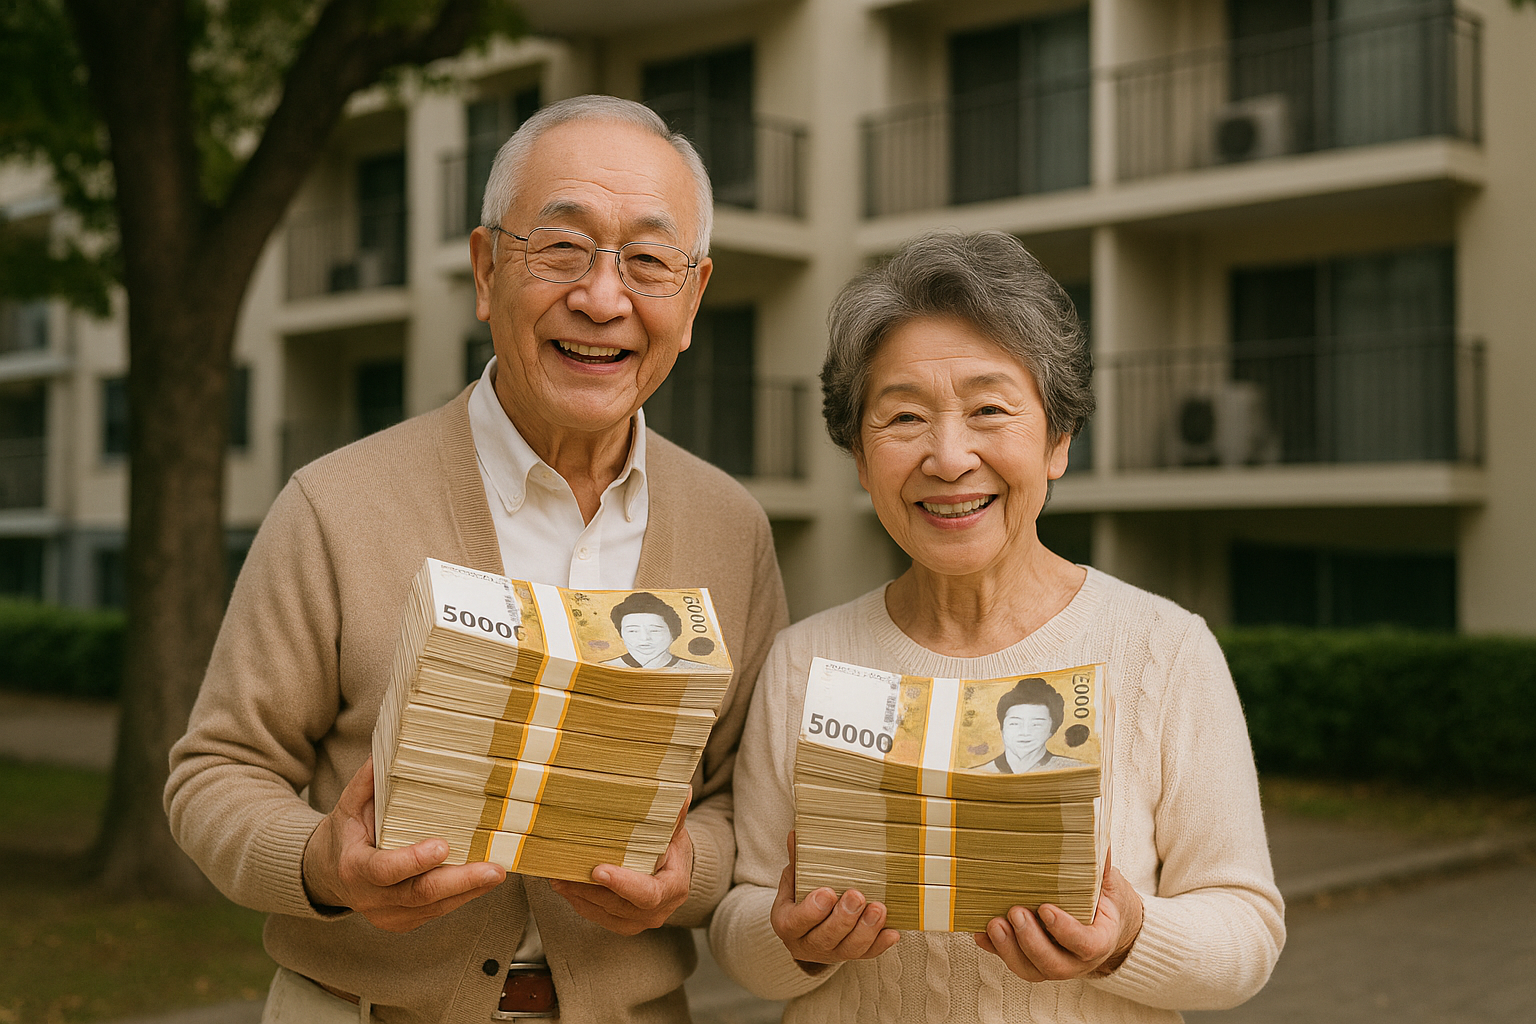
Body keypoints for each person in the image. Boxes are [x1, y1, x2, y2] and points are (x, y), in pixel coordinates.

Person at [165, 95, 789, 1024]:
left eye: (649, 261)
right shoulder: (335, 506)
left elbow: (749, 798)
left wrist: (688, 869)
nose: (603, 299)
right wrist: (322, 866)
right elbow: (216, 770)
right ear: (487, 269)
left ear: (692, 298)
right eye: (562, 248)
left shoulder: (730, 530)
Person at [709, 232, 1284, 1022]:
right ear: (859, 458)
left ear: (1057, 440)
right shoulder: (804, 659)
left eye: (989, 410)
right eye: (904, 416)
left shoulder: (1163, 650)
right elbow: (740, 924)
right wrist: (793, 940)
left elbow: (1247, 933)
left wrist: (1127, 937)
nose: (949, 458)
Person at [978, 677, 1089, 774]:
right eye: (1015, 723)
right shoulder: (980, 773)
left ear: (1052, 730)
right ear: (1002, 728)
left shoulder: (1076, 770)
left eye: (1036, 724)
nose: (1025, 732)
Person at [600, 592, 714, 671]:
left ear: (673, 634)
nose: (644, 638)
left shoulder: (702, 671)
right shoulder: (603, 669)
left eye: (654, 630)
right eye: (633, 631)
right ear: (621, 634)